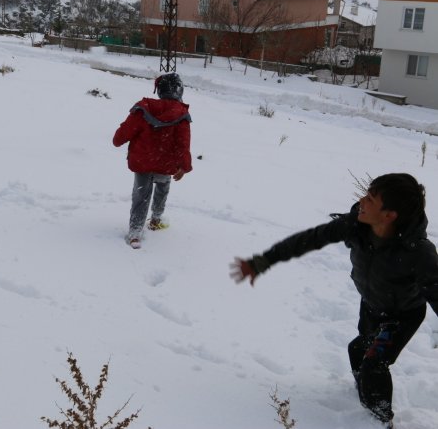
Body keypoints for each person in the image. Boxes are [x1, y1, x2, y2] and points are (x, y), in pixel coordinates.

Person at [230, 173, 438, 427]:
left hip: (402, 316)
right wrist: (263, 261)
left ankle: (380, 420)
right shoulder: (356, 226)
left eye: (370, 199)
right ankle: (365, 391)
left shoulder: (418, 253)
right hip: (372, 304)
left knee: (374, 364)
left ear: (389, 215)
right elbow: (310, 239)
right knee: (358, 350)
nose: (362, 200)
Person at [113, 72, 192, 249]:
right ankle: (156, 219)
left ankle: (135, 232)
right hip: (165, 164)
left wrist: (118, 139)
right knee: (162, 188)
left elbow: (124, 132)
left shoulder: (143, 109)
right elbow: (183, 144)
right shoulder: (181, 114)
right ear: (179, 91)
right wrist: (184, 166)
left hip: (143, 163)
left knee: (141, 195)